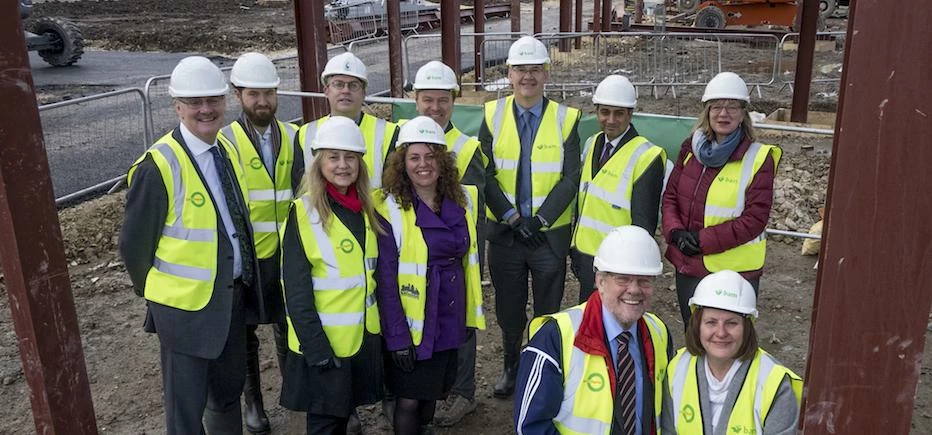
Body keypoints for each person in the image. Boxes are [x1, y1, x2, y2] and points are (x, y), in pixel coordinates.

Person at [120, 56, 259, 434]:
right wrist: (160, 297)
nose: (205, 109)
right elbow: (134, 248)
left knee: (227, 393)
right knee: (185, 409)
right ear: (176, 106)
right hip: (184, 312)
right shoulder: (158, 166)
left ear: (224, 101)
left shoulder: (225, 151)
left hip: (229, 300)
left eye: (213, 99)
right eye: (194, 102)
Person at [479, 35, 582, 398]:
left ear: (546, 74)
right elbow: (485, 173)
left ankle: (542, 367)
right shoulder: (491, 115)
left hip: (546, 237)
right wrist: (510, 216)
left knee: (548, 308)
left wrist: (538, 221)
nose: (527, 76)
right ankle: (511, 366)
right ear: (508, 73)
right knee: (508, 309)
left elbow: (571, 177)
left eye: (535, 69)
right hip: (507, 235)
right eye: (520, 69)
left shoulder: (567, 119)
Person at [373, 116, 486, 434]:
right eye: (414, 157)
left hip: (448, 315)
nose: (423, 165)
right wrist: (396, 338)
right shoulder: (390, 207)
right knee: (408, 400)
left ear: (442, 160)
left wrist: (466, 317)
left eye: (430, 155)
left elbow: (468, 264)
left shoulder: (461, 201)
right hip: (411, 323)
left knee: (432, 393)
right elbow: (385, 279)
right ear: (402, 163)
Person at [278, 116, 384, 434]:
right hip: (324, 346)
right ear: (319, 162)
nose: (342, 165)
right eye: (333, 157)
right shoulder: (303, 213)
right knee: (325, 425)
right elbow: (295, 290)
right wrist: (317, 349)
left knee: (343, 419)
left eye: (350, 157)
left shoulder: (367, 209)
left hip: (360, 339)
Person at [514, 225, 673, 434]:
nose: (634, 290)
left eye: (644, 280)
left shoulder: (658, 332)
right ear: (600, 281)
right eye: (622, 279)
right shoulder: (555, 337)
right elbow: (530, 427)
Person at [661, 72, 782, 326]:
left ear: (743, 113)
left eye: (732, 107)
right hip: (690, 264)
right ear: (707, 111)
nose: (723, 114)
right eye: (716, 106)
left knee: (726, 342)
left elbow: (754, 219)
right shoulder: (690, 149)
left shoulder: (759, 158)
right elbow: (671, 195)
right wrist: (675, 233)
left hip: (734, 273)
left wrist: (701, 240)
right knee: (694, 334)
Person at [219, 52, 298, 435]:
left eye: (268, 93)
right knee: (246, 332)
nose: (262, 101)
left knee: (288, 325)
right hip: (246, 258)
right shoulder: (224, 143)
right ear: (238, 95)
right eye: (253, 94)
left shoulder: (295, 137)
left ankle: (292, 392)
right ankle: (254, 405)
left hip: (286, 255)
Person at [409, 60, 488, 426]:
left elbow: (474, 215)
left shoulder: (467, 149)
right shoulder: (405, 139)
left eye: (443, 100)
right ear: (415, 99)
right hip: (412, 255)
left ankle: (462, 391)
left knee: (462, 319)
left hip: (454, 256)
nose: (435, 107)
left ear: (454, 102)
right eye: (428, 99)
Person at [660, 270, 802, 434]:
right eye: (711, 322)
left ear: (746, 328)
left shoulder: (773, 383)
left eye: (731, 323)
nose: (721, 333)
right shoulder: (678, 369)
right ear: (697, 325)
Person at [571, 74, 666, 304]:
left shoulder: (646, 156)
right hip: (586, 256)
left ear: (630, 114)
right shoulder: (593, 143)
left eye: (619, 113)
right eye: (605, 112)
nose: (611, 120)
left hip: (618, 265)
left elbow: (644, 224)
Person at [296, 51, 399, 189]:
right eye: (338, 84)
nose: (345, 91)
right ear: (326, 90)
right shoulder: (305, 133)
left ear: (364, 93)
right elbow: (298, 185)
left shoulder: (388, 133)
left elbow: (393, 188)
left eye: (353, 85)